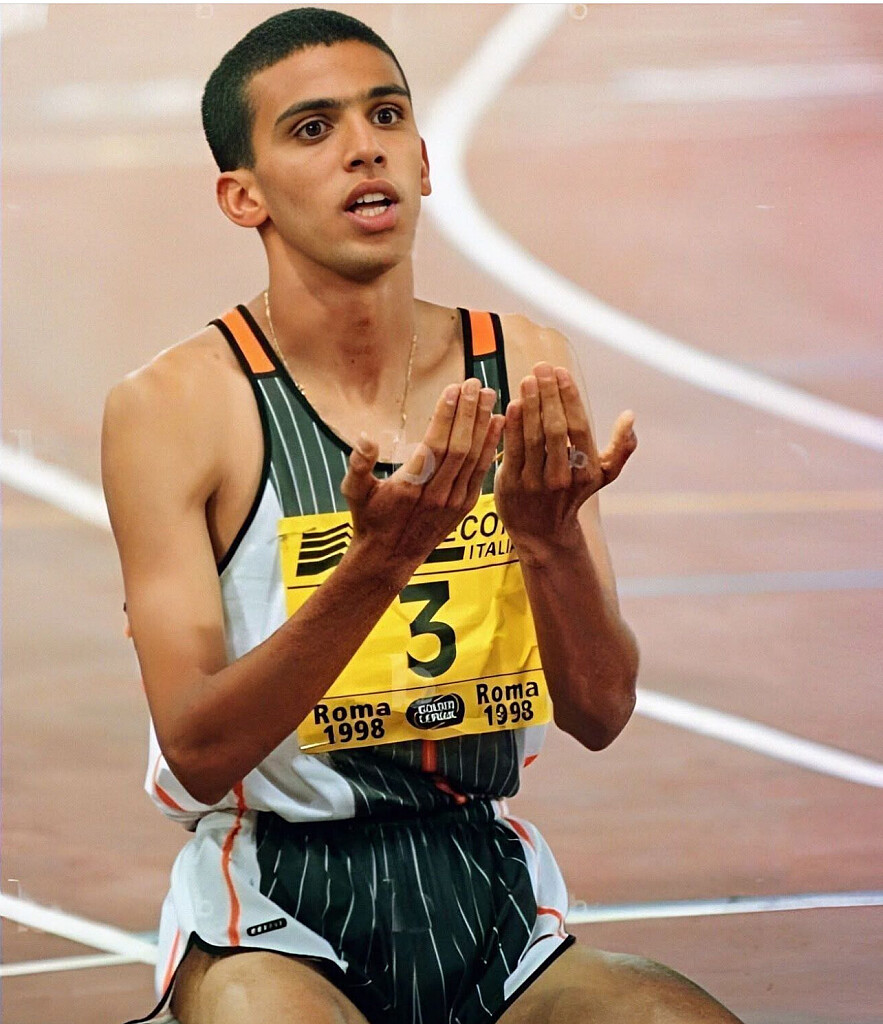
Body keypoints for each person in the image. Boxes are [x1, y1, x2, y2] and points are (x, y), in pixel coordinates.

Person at [102, 8, 743, 1023]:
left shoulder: (524, 363)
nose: (364, 147)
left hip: (488, 890)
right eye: (312, 128)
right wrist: (375, 566)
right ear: (242, 196)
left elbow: (600, 709)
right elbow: (197, 748)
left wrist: (548, 541)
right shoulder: (174, 407)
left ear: (424, 161)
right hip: (275, 909)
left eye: (387, 115)